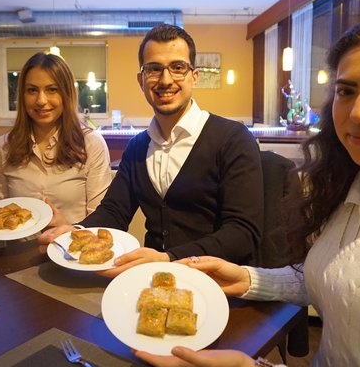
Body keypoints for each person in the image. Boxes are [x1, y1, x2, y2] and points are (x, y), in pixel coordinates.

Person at [135, 13, 360, 367]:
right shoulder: (351, 193)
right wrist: (249, 278)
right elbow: (337, 277)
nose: (359, 112)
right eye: (346, 91)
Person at [39, 24, 263, 276]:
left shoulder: (232, 138)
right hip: (151, 279)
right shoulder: (137, 147)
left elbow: (243, 233)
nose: (165, 80)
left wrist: (169, 258)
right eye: (154, 69)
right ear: (141, 79)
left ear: (194, 76)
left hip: (218, 284)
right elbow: (114, 211)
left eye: (178, 68)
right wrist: (76, 232)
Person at [0, 52, 112, 225]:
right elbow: (0, 214)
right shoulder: (2, 148)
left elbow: (100, 218)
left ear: (67, 94)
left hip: (72, 248)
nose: (41, 100)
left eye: (52, 89)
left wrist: (68, 229)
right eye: (32, 90)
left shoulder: (91, 144)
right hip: (17, 251)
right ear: (22, 96)